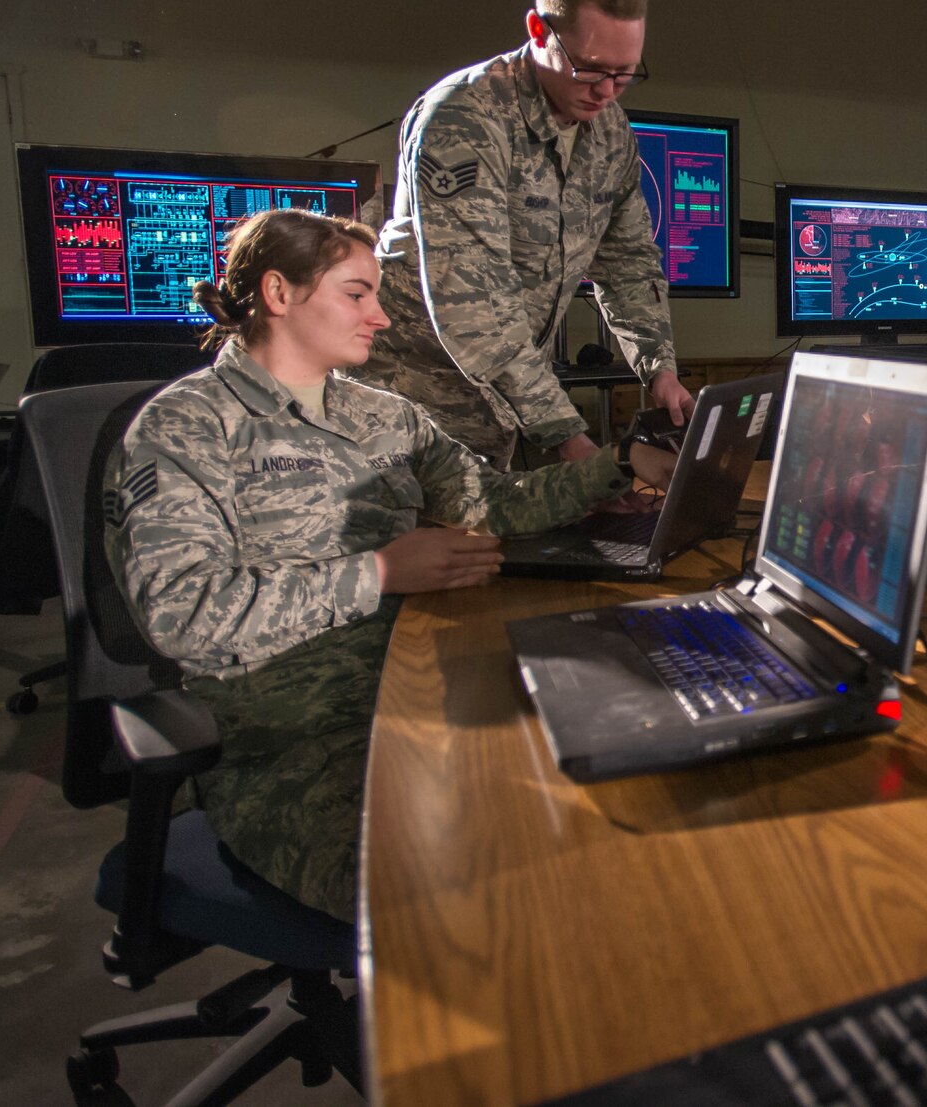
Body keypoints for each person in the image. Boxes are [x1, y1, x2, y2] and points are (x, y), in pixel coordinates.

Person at [103, 209, 678, 922]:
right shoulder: (183, 428)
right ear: (279, 294)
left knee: (613, 819)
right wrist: (378, 572)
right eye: (356, 294)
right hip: (293, 737)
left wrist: (617, 465)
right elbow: (183, 618)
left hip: (429, 686)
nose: (380, 316)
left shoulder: (384, 416)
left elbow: (492, 503)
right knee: (466, 901)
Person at [359, 0, 693, 470]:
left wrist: (660, 370)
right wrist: (566, 434)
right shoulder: (465, 120)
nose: (609, 90)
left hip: (506, 411)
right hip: (411, 408)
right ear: (539, 30)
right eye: (591, 68)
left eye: (626, 72)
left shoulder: (609, 132)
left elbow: (628, 261)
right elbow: (474, 304)